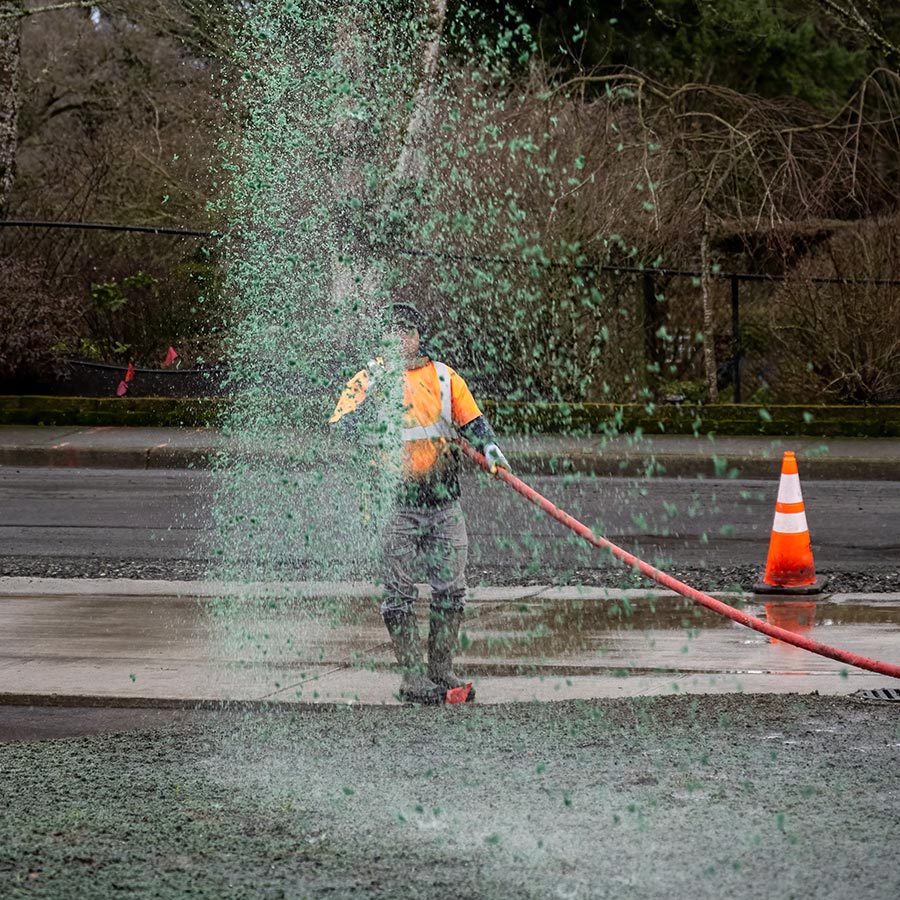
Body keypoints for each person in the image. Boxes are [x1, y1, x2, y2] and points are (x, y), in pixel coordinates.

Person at [329, 301, 510, 704]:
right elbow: (341, 423)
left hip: (444, 502)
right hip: (395, 505)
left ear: (418, 337)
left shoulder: (446, 379)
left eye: (407, 330)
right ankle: (412, 678)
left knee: (451, 589)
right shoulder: (369, 380)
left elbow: (473, 422)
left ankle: (440, 671)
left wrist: (490, 448)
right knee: (399, 592)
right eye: (392, 331)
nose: (400, 338)